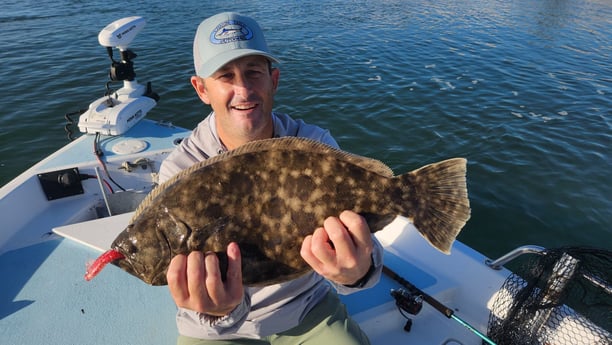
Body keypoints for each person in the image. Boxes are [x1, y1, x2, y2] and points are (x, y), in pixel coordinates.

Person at [159, 12, 383, 345]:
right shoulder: (181, 171)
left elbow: (361, 240)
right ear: (202, 89)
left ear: (273, 79)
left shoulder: (314, 146)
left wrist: (357, 273)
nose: (243, 89)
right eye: (225, 76)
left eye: (253, 72)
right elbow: (192, 291)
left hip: (305, 308)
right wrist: (221, 310)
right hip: (215, 329)